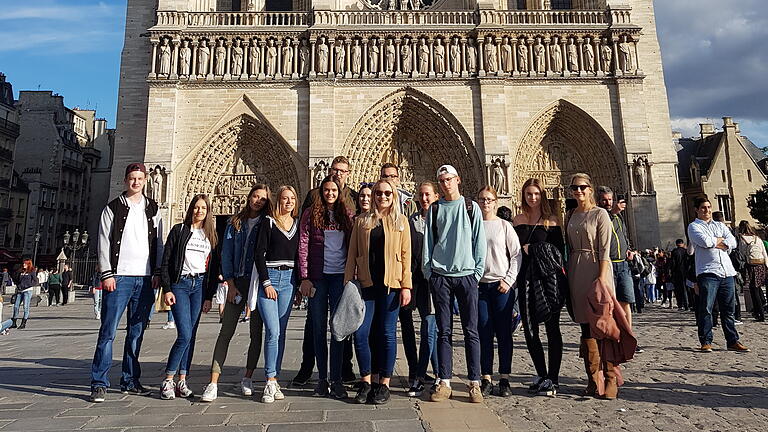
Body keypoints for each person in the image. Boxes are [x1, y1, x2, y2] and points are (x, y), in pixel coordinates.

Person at [90, 163, 164, 403]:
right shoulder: (112, 208)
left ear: (146, 180)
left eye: (140, 178)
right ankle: (99, 383)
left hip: (144, 278)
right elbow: (103, 241)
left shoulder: (153, 208)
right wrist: (107, 274)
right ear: (125, 181)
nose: (136, 182)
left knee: (136, 333)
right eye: (132, 178)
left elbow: (159, 243)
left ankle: (130, 380)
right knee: (108, 332)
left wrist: (157, 272)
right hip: (119, 277)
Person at [567, 173, 635, 400]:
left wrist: (602, 278)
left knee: (603, 326)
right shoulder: (571, 215)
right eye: (575, 187)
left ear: (590, 189)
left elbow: (605, 249)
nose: (579, 191)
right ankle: (592, 379)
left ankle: (610, 379)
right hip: (576, 272)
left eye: (583, 187)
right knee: (586, 329)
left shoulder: (601, 214)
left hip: (597, 271)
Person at [345, 179, 412, 404]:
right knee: (361, 333)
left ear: (394, 196)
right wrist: (348, 282)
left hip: (391, 285)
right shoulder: (361, 221)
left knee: (386, 333)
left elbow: (406, 256)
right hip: (366, 284)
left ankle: (384, 383)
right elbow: (352, 253)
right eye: (378, 193)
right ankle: (366, 380)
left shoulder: (401, 222)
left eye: (387, 193)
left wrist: (406, 285)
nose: (382, 197)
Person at [423, 165, 486, 403]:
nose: (445, 183)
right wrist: (430, 272)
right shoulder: (436, 209)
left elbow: (480, 241)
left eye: (448, 179)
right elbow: (429, 241)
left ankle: (475, 382)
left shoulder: (471, 207)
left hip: (467, 276)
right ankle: (445, 381)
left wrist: (477, 273)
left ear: (458, 180)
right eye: (441, 180)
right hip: (441, 277)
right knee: (444, 331)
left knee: (472, 331)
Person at [201, 185, 270, 402]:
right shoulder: (234, 223)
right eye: (255, 196)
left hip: (257, 283)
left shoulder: (268, 224)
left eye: (262, 198)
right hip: (237, 282)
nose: (258, 201)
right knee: (226, 332)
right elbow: (226, 254)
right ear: (249, 197)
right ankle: (213, 383)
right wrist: (230, 283)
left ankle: (248, 378)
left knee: (256, 335)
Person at [294, 156, 357, 386]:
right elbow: (303, 242)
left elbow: (354, 240)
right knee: (316, 324)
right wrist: (303, 277)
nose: (331, 191)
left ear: (348, 173)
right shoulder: (312, 204)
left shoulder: (352, 204)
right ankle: (314, 371)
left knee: (342, 324)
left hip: (340, 275)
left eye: (343, 171)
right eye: (335, 170)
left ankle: (341, 371)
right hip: (318, 275)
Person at [159, 194, 217, 400]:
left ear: (208, 211)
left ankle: (182, 380)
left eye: (203, 208)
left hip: (199, 286)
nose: (199, 211)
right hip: (180, 285)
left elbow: (213, 267)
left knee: (190, 335)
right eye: (196, 207)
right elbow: (165, 261)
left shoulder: (210, 235)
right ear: (190, 208)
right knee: (184, 334)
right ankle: (168, 379)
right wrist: (167, 288)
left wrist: (209, 295)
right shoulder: (179, 231)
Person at [513, 178, 566, 397]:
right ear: (523, 195)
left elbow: (558, 254)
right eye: (528, 194)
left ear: (542, 196)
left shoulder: (552, 222)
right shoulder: (517, 221)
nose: (532, 198)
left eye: (536, 194)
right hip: (525, 279)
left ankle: (553, 378)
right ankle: (542, 375)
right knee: (530, 329)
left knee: (553, 329)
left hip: (548, 281)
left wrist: (534, 248)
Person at [251, 186, 300, 403]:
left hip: (289, 281)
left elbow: (300, 257)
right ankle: (269, 380)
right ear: (277, 200)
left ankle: (275, 378)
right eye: (284, 198)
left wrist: (298, 285)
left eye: (292, 199)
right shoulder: (268, 222)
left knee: (280, 332)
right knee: (272, 331)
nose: (288, 202)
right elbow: (258, 254)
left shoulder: (297, 225)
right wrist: (266, 282)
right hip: (269, 280)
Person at [687, 197, 750, 353]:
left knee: (728, 309)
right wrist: (720, 241)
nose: (707, 210)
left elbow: (733, 242)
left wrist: (717, 241)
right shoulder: (693, 226)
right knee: (706, 309)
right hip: (708, 271)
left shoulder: (720, 225)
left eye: (708, 207)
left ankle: (732, 340)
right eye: (703, 207)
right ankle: (706, 341)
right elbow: (705, 242)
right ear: (696, 209)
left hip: (726, 271)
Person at [477, 186, 521, 398]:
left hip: (502, 286)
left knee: (504, 334)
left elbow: (516, 255)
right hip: (480, 287)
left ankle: (504, 378)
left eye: (489, 199)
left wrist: (509, 280)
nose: (485, 203)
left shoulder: (504, 226)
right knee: (484, 333)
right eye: (482, 199)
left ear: (495, 202)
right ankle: (486, 377)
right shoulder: (473, 226)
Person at [380, 163, 418, 382]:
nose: (390, 179)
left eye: (393, 176)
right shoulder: (375, 208)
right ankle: (380, 375)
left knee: (408, 326)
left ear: (399, 178)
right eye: (386, 176)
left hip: (404, 276)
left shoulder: (410, 207)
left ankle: (414, 372)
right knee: (383, 330)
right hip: (383, 280)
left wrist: (408, 280)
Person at [407, 182, 440, 397]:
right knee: (430, 329)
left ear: (436, 196)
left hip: (433, 282)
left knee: (429, 327)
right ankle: (439, 373)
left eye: (428, 195)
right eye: (421, 195)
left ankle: (419, 374)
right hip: (415, 281)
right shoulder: (411, 221)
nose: (424, 198)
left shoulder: (443, 220)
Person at [596, 187, 635, 327]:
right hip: (608, 265)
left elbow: (624, 235)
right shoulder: (599, 216)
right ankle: (613, 336)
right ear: (598, 201)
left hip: (623, 264)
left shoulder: (619, 217)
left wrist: (629, 249)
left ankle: (628, 336)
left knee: (626, 301)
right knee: (609, 303)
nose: (608, 202)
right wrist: (613, 212)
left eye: (610, 199)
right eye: (604, 200)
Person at [736, 220, 767, 322]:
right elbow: (764, 253)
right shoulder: (757, 238)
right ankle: (760, 308)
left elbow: (741, 253)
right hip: (761, 265)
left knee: (753, 290)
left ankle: (760, 313)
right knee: (757, 288)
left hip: (751, 266)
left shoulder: (742, 239)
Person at [11, 259, 38, 330]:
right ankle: (14, 322)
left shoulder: (32, 271)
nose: (24, 265)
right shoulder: (21, 271)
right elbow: (17, 279)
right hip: (20, 290)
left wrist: (28, 285)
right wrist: (18, 285)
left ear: (29, 264)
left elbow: (35, 281)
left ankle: (23, 323)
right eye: (23, 263)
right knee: (16, 306)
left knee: (25, 306)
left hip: (27, 291)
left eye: (25, 264)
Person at [670, 239, 690, 310]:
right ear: (682, 243)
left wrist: (672, 272)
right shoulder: (686, 251)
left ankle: (680, 305)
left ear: (676, 244)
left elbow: (673, 263)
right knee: (686, 289)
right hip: (686, 272)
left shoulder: (674, 252)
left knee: (678, 290)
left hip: (677, 272)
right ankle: (687, 305)